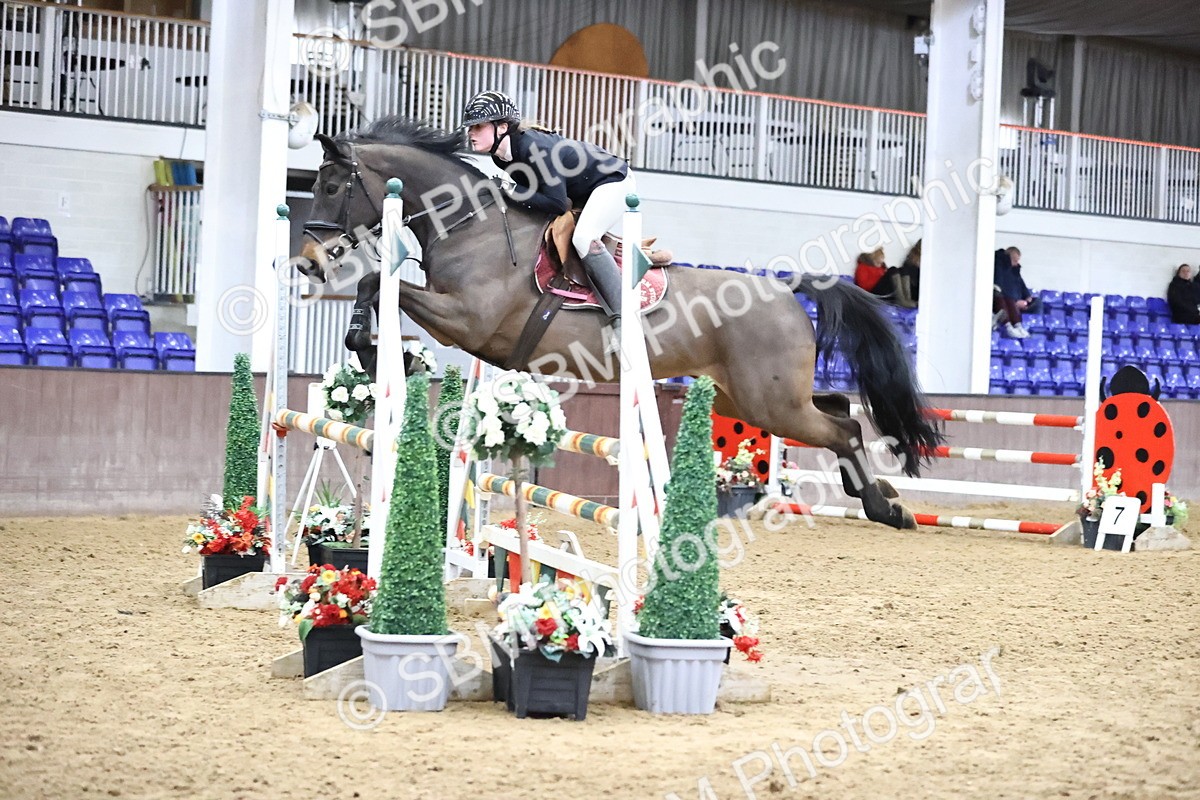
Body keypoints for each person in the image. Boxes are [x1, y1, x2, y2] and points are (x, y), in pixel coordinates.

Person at [461, 90, 631, 330]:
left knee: (583, 238)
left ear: (501, 127)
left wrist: (509, 190)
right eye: (470, 128)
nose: (470, 133)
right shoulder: (501, 157)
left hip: (613, 181)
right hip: (584, 191)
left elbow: (556, 203)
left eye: (477, 126)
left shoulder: (533, 148)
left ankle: (623, 317)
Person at [993, 246, 1037, 338]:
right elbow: (1000, 285)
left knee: (1037, 302)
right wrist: (1017, 301)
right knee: (1006, 299)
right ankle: (1009, 326)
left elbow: (1020, 283)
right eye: (1015, 260)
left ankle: (1018, 326)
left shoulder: (1014, 270)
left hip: (1015, 299)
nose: (1017, 263)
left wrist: (1027, 296)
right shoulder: (999, 265)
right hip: (1002, 297)